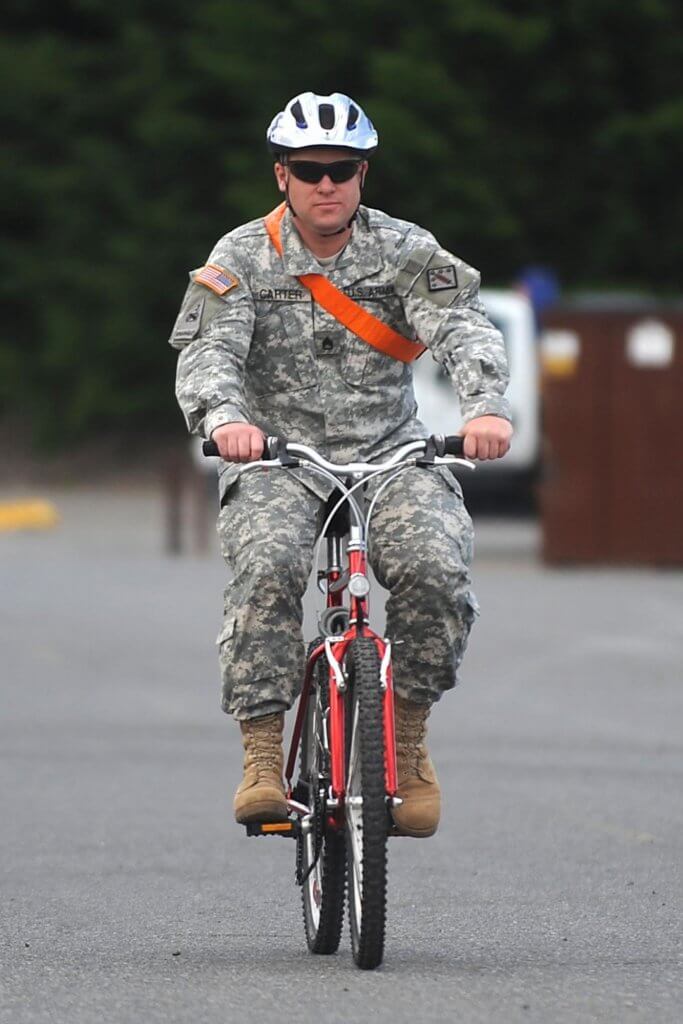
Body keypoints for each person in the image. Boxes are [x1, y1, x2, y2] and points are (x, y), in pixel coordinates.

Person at [169, 92, 512, 838]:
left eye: (342, 169)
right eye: (308, 169)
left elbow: (461, 326)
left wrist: (484, 407)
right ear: (281, 176)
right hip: (278, 459)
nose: (326, 184)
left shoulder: (404, 249)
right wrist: (226, 421)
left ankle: (409, 742)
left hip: (391, 454)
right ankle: (262, 754)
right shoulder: (241, 255)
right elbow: (209, 352)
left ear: (363, 174)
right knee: (264, 570)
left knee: (436, 568)